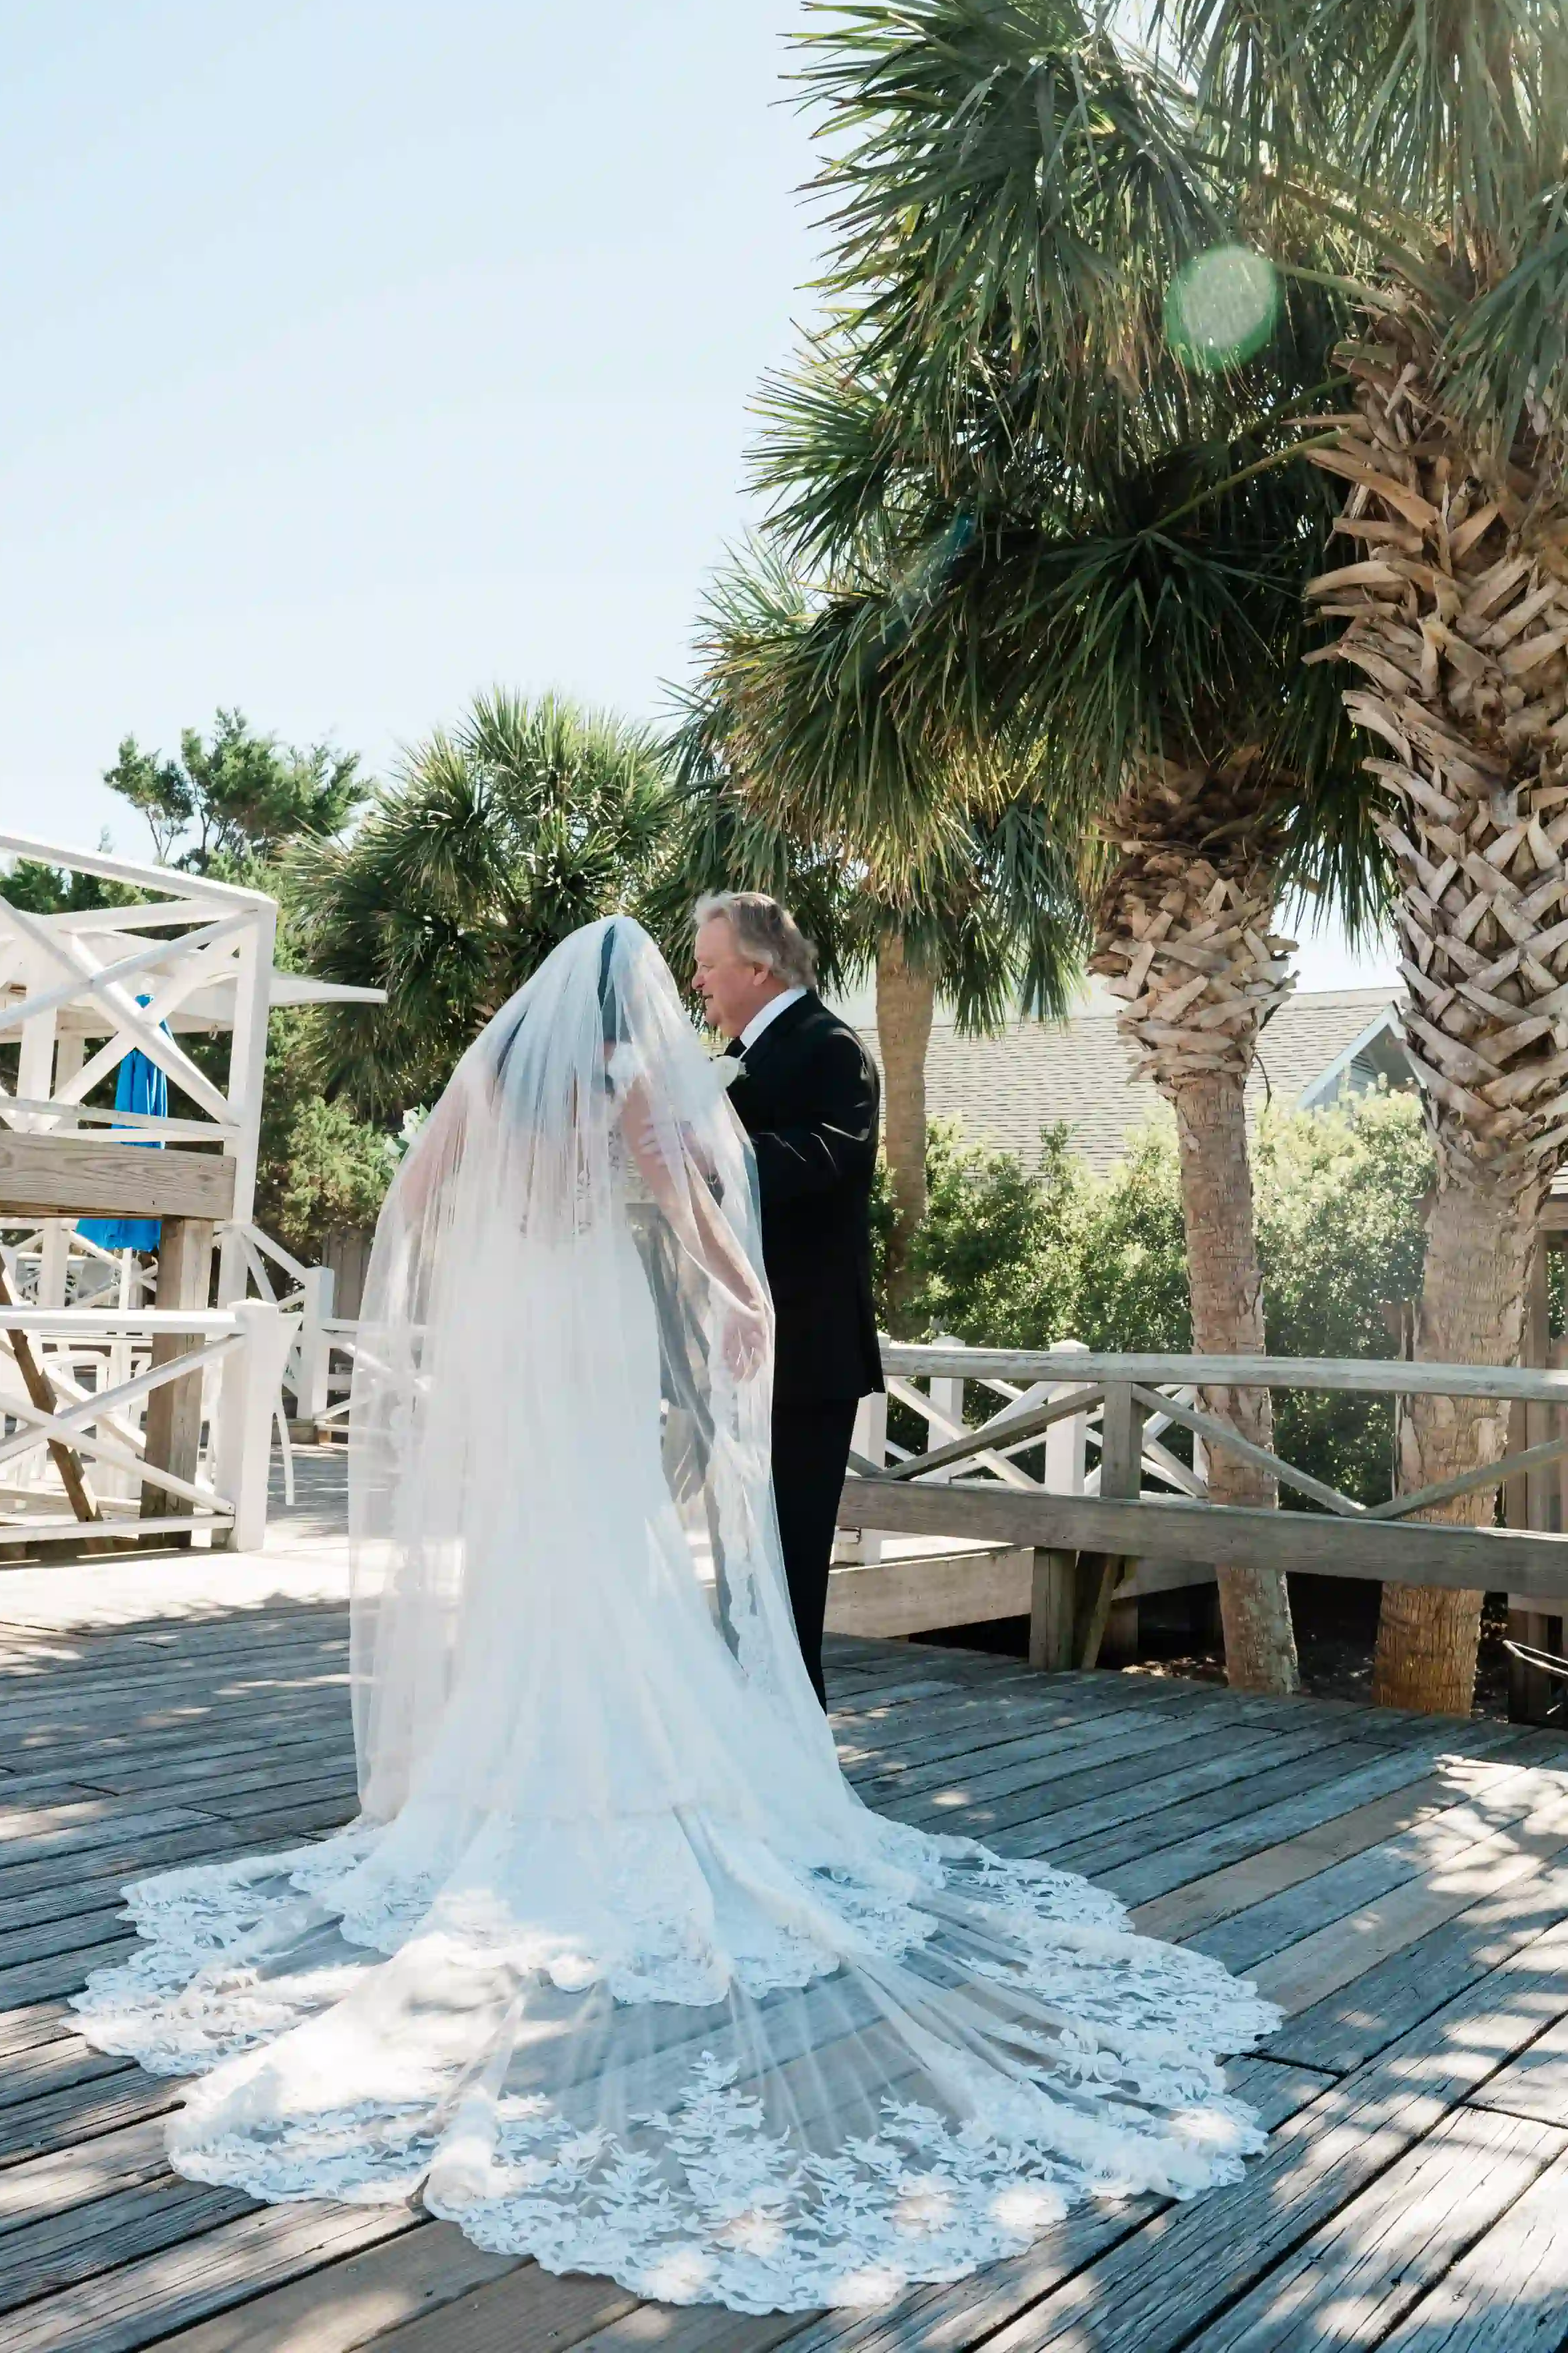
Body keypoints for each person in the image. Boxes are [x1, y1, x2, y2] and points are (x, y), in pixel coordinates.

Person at [73, 916, 1275, 2316]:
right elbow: (683, 1197)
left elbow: (413, 1201)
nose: (683, 992)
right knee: (610, 1538)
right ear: (616, 1003)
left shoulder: (486, 1086)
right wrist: (732, 1287)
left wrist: (456, 1299)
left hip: (519, 1330)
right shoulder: (624, 1087)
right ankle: (640, 1756)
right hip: (591, 1324)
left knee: (530, 1551)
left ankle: (502, 1756)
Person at [690, 892, 882, 1705]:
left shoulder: (831, 1048)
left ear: (759, 968)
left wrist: (703, 1148)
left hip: (803, 1355)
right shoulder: (747, 1056)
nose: (697, 983)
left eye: (707, 966)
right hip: (737, 1348)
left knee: (787, 1565)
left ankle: (794, 1752)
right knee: (740, 1562)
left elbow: (822, 1157)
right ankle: (747, 1737)